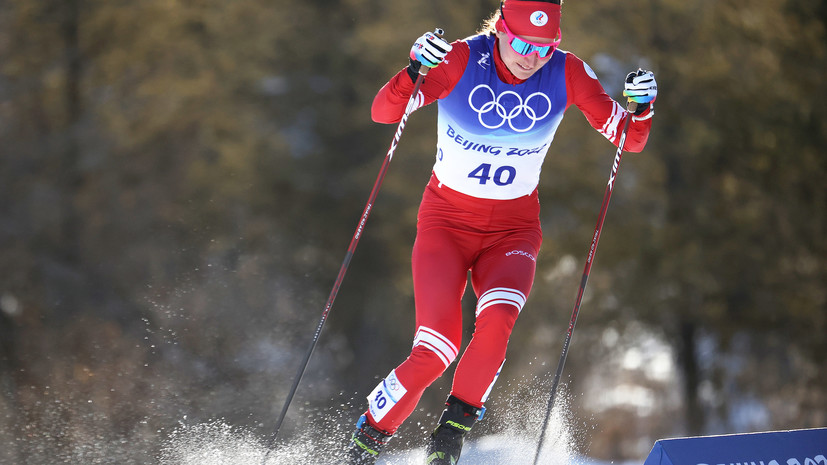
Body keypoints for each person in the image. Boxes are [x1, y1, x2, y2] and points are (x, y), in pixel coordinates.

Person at [344, 0, 657, 463]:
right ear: (500, 31)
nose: (532, 57)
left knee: (498, 320)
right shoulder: (464, 58)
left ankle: (451, 432)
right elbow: (383, 112)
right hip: (446, 224)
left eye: (545, 47)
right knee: (436, 348)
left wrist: (643, 106)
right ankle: (367, 438)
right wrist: (413, 70)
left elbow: (627, 138)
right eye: (521, 43)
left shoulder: (568, 72)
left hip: (513, 230)